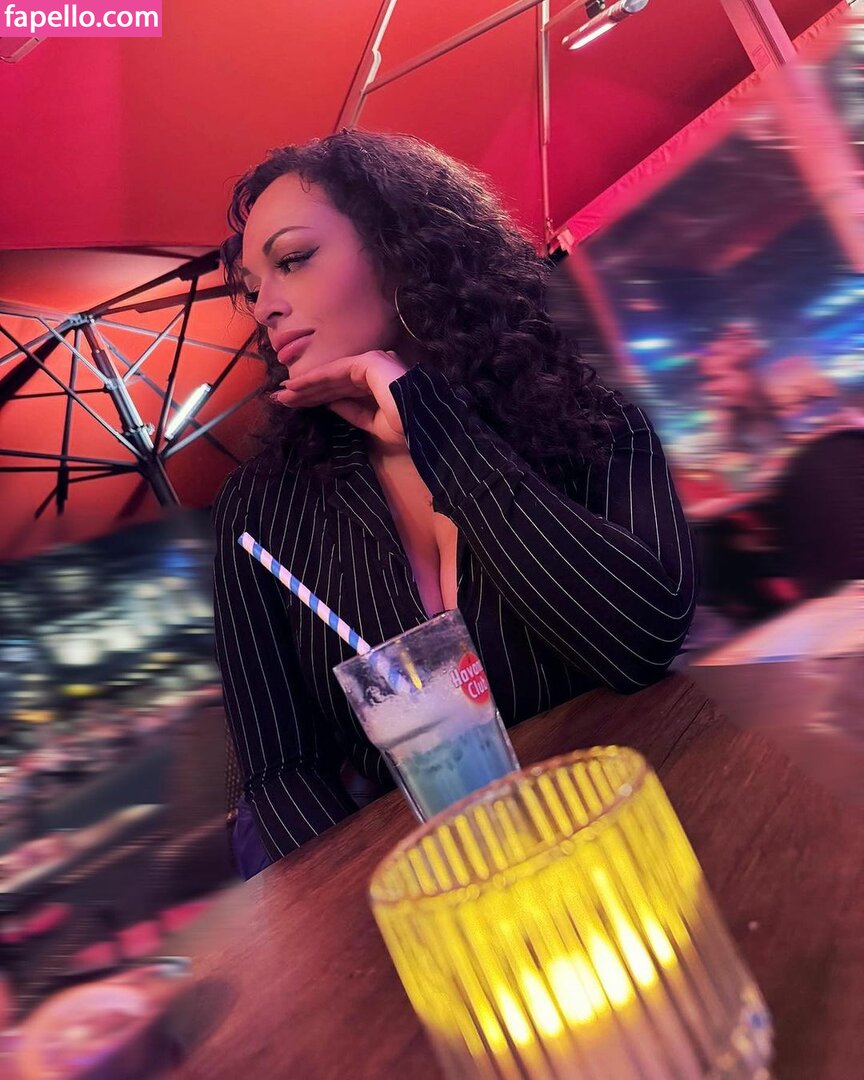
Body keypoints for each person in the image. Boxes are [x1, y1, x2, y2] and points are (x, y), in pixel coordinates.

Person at [213, 129, 697, 878]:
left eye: (294, 259)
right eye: (252, 287)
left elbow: (642, 639)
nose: (266, 307)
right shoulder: (260, 512)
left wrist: (430, 422)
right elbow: (280, 773)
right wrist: (386, 899)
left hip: (650, 818)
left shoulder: (580, 398)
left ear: (402, 247)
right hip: (456, 884)